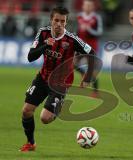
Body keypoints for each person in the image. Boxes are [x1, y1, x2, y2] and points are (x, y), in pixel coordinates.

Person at [19, 6, 95, 152]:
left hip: (61, 83)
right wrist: (44, 45)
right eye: (56, 20)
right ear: (51, 20)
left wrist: (88, 77)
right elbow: (30, 57)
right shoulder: (43, 33)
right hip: (42, 78)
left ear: (66, 22)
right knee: (26, 111)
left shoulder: (72, 40)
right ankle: (30, 143)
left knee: (45, 119)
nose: (59, 24)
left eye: (62, 21)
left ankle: (58, 107)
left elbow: (93, 54)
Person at [75, 0, 103, 98]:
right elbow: (76, 31)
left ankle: (95, 91)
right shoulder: (79, 17)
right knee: (73, 63)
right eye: (85, 5)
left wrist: (89, 29)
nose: (87, 7)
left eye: (89, 6)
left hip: (92, 47)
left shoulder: (96, 17)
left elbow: (99, 32)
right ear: (83, 7)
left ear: (92, 7)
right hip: (80, 45)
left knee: (92, 70)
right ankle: (83, 73)